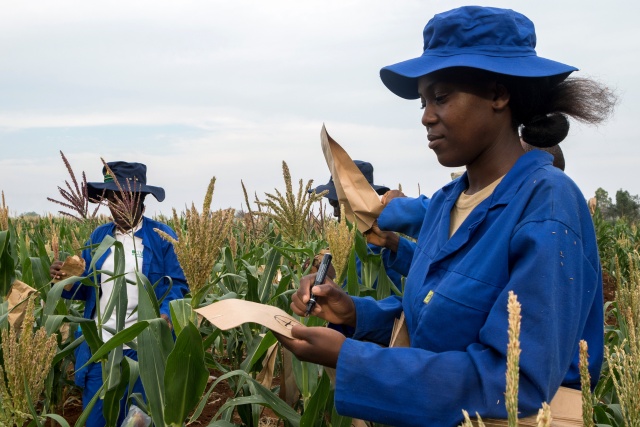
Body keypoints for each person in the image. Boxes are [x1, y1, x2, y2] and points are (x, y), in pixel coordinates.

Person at [277, 6, 615, 426]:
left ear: (498, 94)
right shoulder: (446, 203)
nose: (425, 116)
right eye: (422, 101)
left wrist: (354, 362)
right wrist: (353, 314)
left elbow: (517, 383)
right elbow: (432, 320)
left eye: (440, 97)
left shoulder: (547, 206)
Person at [50, 161, 188, 427]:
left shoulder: (161, 237)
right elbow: (88, 289)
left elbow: (180, 286)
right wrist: (64, 281)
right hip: (102, 348)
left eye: (124, 198)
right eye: (112, 199)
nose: (117, 205)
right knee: (96, 420)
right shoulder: (100, 236)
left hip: (144, 351)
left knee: (139, 421)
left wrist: (165, 314)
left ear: (140, 200)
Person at [310, 160, 405, 290]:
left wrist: (333, 278)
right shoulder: (350, 243)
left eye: (336, 205)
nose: (335, 213)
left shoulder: (379, 247)